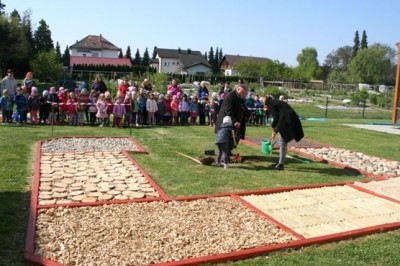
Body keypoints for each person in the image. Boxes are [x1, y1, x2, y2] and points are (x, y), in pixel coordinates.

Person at [264, 95, 304, 170]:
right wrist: (275, 131)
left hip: (287, 121)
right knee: (282, 143)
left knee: (282, 143)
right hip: (288, 120)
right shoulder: (275, 102)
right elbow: (279, 118)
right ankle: (280, 162)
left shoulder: (271, 104)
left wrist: (273, 128)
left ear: (265, 103)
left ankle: (281, 164)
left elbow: (276, 119)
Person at [215, 84, 249, 152]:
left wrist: (249, 114)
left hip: (235, 121)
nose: (243, 95)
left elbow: (243, 107)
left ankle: (228, 152)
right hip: (226, 121)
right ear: (238, 89)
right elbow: (228, 110)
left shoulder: (239, 97)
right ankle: (224, 154)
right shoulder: (230, 95)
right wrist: (234, 121)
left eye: (245, 93)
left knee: (235, 137)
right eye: (242, 92)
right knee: (226, 137)